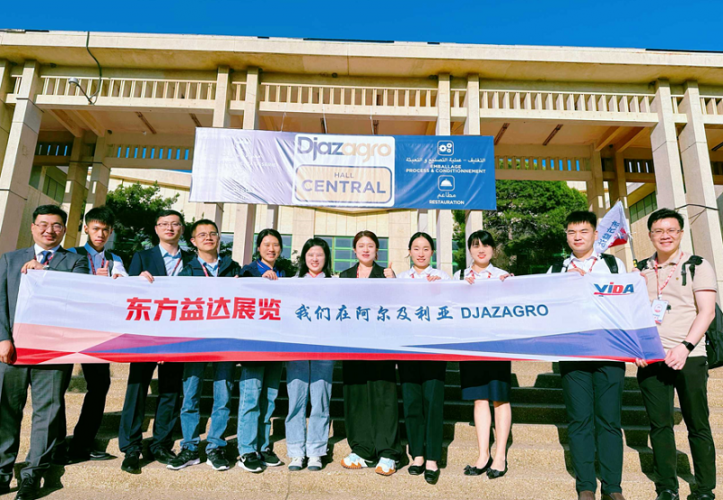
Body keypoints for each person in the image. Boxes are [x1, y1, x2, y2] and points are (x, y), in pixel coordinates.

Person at [0, 205, 89, 500]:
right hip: (12, 350)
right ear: (32, 227)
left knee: (47, 413)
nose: (49, 230)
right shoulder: (10, 259)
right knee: (6, 411)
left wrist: (47, 274)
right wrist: (2, 338)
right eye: (43, 224)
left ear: (64, 229)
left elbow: (78, 297)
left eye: (56, 225)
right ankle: (2, 471)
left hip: (52, 352)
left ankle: (32, 474)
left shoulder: (75, 262)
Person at [635, 208, 717, 500]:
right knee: (659, 426)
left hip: (689, 357)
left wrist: (685, 347)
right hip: (651, 359)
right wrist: (636, 347)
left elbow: (706, 312)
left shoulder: (697, 265)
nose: (665, 236)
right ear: (650, 235)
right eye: (659, 231)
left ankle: (705, 489)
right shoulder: (640, 271)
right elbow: (632, 314)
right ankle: (667, 487)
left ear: (681, 233)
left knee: (698, 424)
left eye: (671, 230)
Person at [547, 211, 627, 500]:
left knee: (609, 421)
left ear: (595, 234)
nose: (577, 237)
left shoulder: (613, 265)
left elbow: (626, 304)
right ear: (566, 236)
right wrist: (564, 286)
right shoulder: (556, 270)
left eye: (583, 231)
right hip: (574, 353)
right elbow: (546, 307)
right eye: (571, 232)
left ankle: (613, 487)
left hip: (610, 351)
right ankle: (585, 486)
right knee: (579, 421)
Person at [118, 209, 194, 474]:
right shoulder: (143, 257)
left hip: (179, 336)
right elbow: (130, 296)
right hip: (146, 335)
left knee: (171, 391)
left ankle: (161, 443)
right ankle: (131, 447)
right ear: (156, 228)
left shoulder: (192, 259)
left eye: (175, 224)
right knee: (137, 388)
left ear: (182, 229)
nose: (169, 228)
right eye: (164, 224)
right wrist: (136, 281)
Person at [55, 206, 128, 465]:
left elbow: (124, 287)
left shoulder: (115, 260)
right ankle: (55, 444)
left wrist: (118, 281)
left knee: (99, 385)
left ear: (111, 232)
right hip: (67, 329)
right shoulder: (69, 254)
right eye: (96, 228)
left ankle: (82, 443)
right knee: (56, 387)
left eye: (105, 230)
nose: (100, 234)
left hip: (98, 330)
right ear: (86, 228)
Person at [166, 219, 241, 472]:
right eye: (202, 235)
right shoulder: (186, 271)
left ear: (219, 238)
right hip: (195, 341)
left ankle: (215, 446)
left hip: (225, 341)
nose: (208, 238)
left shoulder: (233, 268)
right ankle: (189, 447)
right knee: (191, 395)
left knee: (223, 396)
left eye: (212, 234)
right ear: (193, 241)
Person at [339, 230, 402, 476]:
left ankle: (388, 451)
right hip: (352, 345)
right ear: (354, 250)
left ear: (377, 250)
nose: (365, 249)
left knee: (383, 395)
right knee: (356, 397)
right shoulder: (344, 276)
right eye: (361, 245)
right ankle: (362, 449)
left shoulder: (386, 275)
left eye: (370, 245)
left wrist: (394, 283)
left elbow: (398, 307)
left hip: (380, 345)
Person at [454, 230, 513, 481]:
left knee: (499, 399)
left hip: (498, 344)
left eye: (486, 245)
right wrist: (459, 290)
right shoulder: (459, 277)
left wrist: (511, 288)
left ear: (493, 250)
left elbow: (516, 308)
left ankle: (500, 456)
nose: (481, 250)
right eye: (476, 245)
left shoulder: (503, 276)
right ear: (469, 250)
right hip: (471, 344)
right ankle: (483, 455)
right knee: (479, 399)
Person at [393, 232, 450, 485]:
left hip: (434, 347)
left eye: (426, 248)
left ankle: (432, 459)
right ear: (409, 252)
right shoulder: (400, 279)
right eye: (416, 248)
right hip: (407, 347)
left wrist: (440, 290)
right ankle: (416, 455)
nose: (421, 253)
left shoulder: (443, 277)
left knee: (433, 403)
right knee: (412, 403)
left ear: (432, 252)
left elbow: (453, 306)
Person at [236, 228, 286, 473]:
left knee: (269, 398)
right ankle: (246, 450)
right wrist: (258, 280)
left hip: (277, 345)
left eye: (275, 244)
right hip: (254, 346)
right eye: (266, 244)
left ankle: (263, 445)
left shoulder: (285, 273)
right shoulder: (247, 271)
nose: (271, 249)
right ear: (258, 248)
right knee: (251, 397)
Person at [285, 238, 335, 472]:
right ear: (304, 258)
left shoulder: (336, 284)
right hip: (296, 348)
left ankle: (316, 451)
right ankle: (296, 451)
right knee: (296, 400)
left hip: (325, 347)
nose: (315, 259)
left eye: (320, 255)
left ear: (326, 258)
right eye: (311, 255)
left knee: (320, 400)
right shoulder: (291, 283)